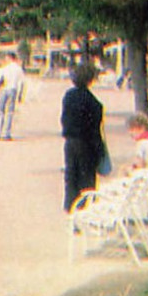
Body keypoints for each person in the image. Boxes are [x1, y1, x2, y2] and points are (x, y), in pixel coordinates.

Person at [61, 61, 106, 211]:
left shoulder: (68, 96)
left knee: (71, 176)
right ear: (91, 79)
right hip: (87, 144)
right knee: (86, 180)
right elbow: (95, 129)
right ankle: (84, 210)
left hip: (70, 141)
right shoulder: (94, 104)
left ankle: (70, 207)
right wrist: (100, 151)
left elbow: (64, 119)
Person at [0, 49, 26, 140]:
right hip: (13, 90)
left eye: (6, 57)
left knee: (0, 111)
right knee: (9, 113)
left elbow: (1, 80)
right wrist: (21, 95)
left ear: (10, 58)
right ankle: (6, 134)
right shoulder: (18, 69)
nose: (5, 59)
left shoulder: (6, 68)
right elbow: (22, 83)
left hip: (4, 90)